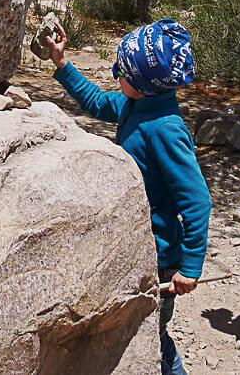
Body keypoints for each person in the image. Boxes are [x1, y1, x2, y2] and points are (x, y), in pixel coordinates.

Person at [45, 19, 211, 375]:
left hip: (160, 256)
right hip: (136, 244)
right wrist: (62, 63)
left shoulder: (165, 129)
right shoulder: (135, 104)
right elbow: (95, 102)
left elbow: (197, 201)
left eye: (121, 69)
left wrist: (190, 267)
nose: (114, 72)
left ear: (145, 81)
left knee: (154, 331)